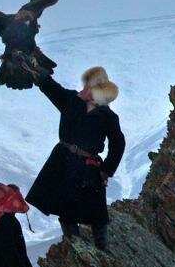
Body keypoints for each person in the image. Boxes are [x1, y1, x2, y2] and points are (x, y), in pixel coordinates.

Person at [26, 66, 125, 250]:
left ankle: (102, 250)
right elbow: (50, 86)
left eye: (89, 86)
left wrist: (106, 171)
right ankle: (75, 249)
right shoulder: (70, 100)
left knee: (97, 214)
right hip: (63, 163)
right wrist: (34, 68)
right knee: (66, 209)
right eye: (85, 85)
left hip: (90, 167)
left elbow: (118, 144)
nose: (85, 89)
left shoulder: (108, 116)